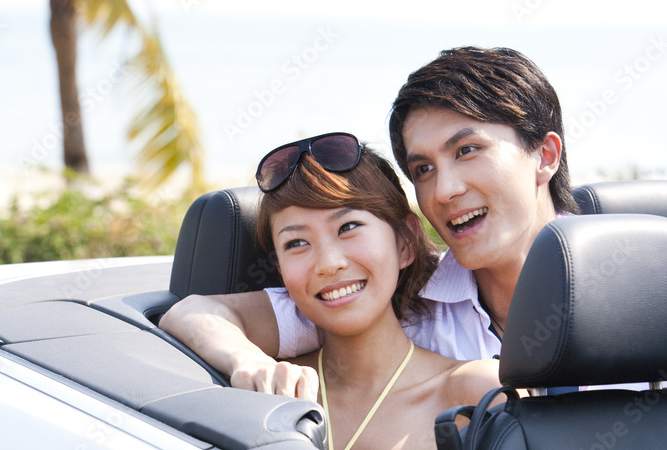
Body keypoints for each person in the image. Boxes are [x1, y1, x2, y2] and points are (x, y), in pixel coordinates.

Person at [160, 46, 576, 392]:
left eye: (467, 150)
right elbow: (197, 313)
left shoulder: (633, 286)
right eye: (423, 170)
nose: (444, 190)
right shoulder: (401, 303)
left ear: (545, 156)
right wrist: (246, 360)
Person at [200, 134, 501, 450]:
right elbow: (188, 313)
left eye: (348, 228)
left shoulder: (475, 393)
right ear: (279, 267)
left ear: (404, 241)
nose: (328, 264)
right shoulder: (268, 388)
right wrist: (245, 359)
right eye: (296, 243)